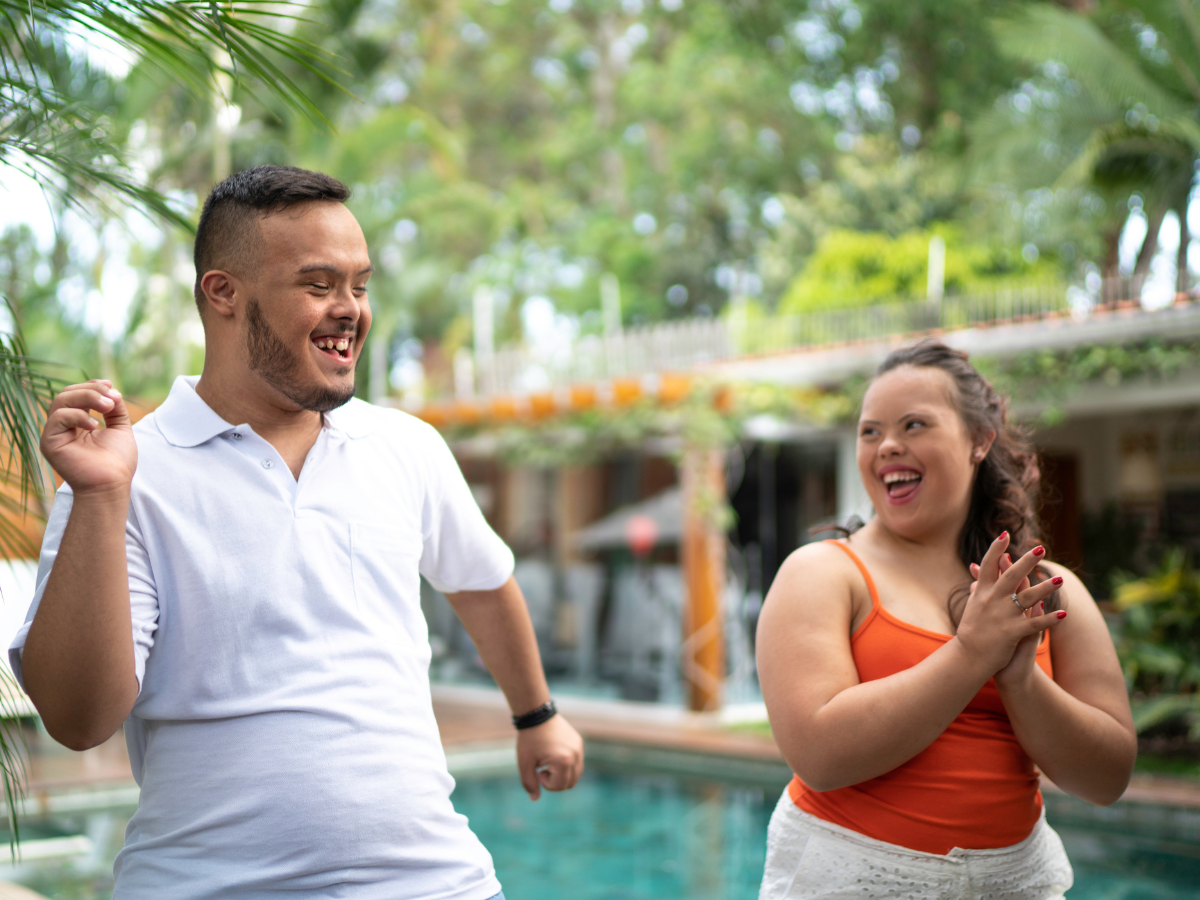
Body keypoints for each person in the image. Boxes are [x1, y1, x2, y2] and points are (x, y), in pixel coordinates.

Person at [11, 165, 584, 900]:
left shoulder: (403, 446)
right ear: (222, 294)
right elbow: (78, 721)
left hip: (437, 883)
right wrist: (97, 496)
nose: (350, 310)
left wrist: (536, 714)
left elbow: (480, 580)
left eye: (360, 284)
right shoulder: (125, 475)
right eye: (319, 285)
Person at [756, 340, 1136, 899]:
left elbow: (1107, 779)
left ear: (979, 440)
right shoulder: (820, 573)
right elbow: (819, 756)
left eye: (914, 425)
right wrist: (970, 655)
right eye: (870, 431)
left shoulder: (1046, 588)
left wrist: (1021, 681)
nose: (887, 446)